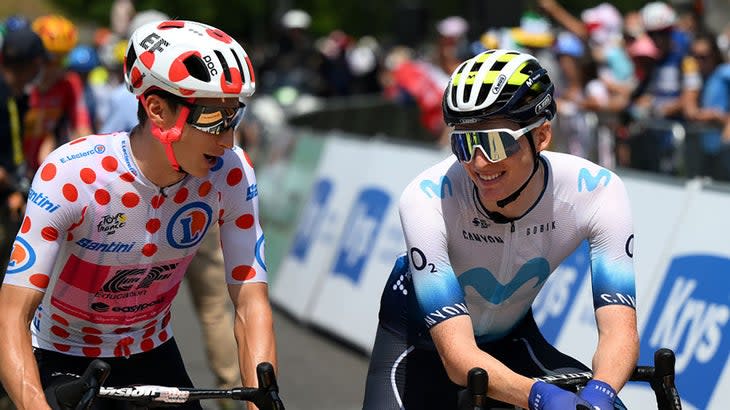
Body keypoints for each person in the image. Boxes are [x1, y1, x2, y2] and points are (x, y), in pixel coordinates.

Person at [0, 19, 277, 410]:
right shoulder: (73, 175)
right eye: (214, 120)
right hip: (62, 353)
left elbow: (250, 301)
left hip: (151, 350)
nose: (227, 139)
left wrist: (260, 401)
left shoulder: (230, 173)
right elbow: (11, 314)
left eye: (234, 117)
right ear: (157, 109)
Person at [363, 49, 639, 410]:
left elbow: (620, 330)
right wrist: (540, 396)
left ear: (541, 136)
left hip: (512, 339)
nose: (478, 163)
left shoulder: (596, 191)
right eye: (463, 141)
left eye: (494, 143)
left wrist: (602, 392)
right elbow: (459, 357)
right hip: (417, 345)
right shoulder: (427, 197)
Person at [24, 15, 92, 174]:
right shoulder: (21, 84)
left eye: (62, 60)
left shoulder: (69, 84)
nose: (55, 68)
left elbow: (82, 128)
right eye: (49, 59)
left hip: (43, 169)